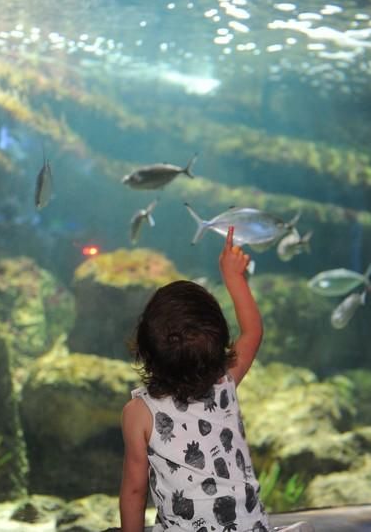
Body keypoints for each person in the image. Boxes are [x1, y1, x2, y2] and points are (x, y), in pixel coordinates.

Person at [119, 226, 269, 531]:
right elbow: (253, 332)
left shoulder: (139, 414)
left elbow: (134, 491)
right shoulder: (223, 384)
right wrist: (233, 276)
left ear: (146, 348)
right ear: (218, 342)